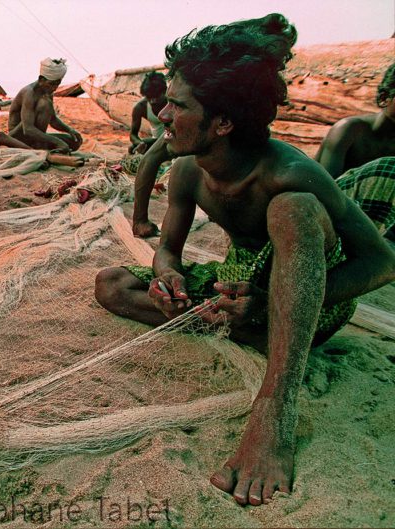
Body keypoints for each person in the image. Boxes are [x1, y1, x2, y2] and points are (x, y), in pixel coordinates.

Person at [94, 14, 395, 507]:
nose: (163, 116)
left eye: (177, 105)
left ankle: (274, 409)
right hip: (242, 289)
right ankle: (245, 327)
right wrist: (168, 276)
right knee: (110, 283)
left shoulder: (290, 172)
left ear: (224, 122)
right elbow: (168, 247)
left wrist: (268, 303)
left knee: (294, 210)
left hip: (314, 298)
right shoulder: (188, 170)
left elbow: (380, 263)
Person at [315, 61, 395, 236]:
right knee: (390, 167)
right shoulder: (349, 129)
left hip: (376, 221)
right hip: (332, 213)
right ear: (384, 98)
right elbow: (327, 187)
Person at [8, 58, 83, 153]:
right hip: (17, 137)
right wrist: (58, 142)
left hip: (35, 137)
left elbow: (53, 120)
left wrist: (69, 130)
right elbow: (28, 129)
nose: (54, 88)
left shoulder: (47, 92)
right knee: (45, 104)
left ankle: (40, 145)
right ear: (41, 80)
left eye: (57, 84)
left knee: (74, 141)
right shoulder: (29, 93)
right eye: (51, 84)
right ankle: (40, 146)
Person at [129, 71, 168, 154]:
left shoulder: (173, 102)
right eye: (149, 97)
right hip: (156, 142)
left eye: (156, 96)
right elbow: (133, 135)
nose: (153, 101)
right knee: (132, 148)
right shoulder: (140, 107)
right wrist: (140, 143)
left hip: (174, 140)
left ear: (164, 91)